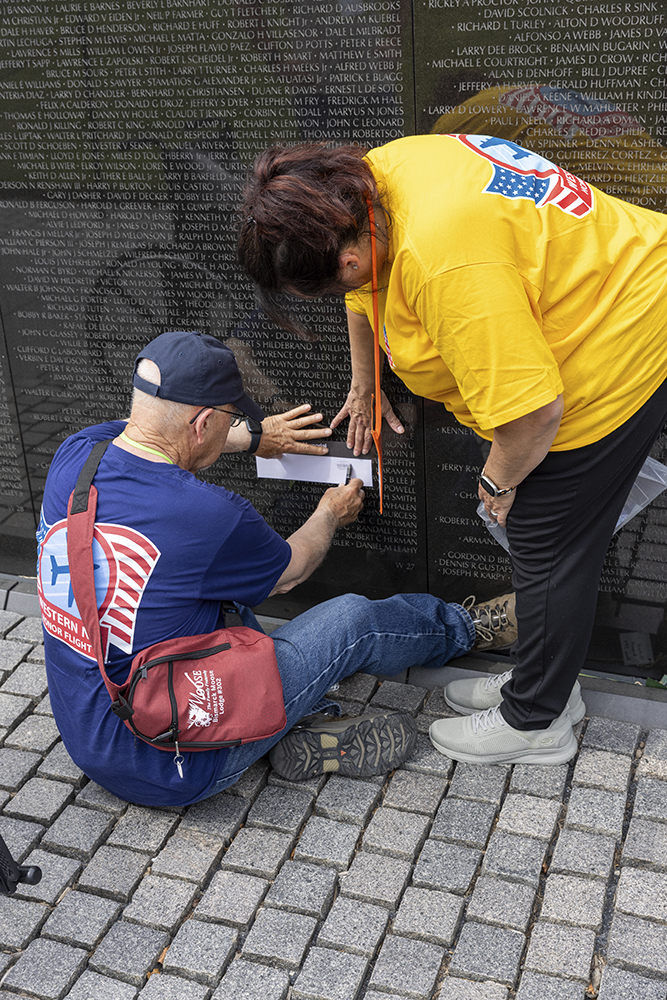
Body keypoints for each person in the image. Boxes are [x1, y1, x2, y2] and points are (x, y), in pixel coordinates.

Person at [237, 135, 667, 766]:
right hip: (605, 295)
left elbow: (532, 414)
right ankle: (545, 679)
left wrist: (497, 484)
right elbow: (362, 293)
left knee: (546, 544)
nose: (338, 295)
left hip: (616, 346)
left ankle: (535, 719)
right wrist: (364, 381)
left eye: (323, 289)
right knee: (544, 545)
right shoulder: (368, 185)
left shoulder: (446, 265)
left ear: (350, 258)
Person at [37, 330, 511, 806]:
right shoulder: (206, 514)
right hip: (181, 764)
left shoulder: (76, 455)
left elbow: (151, 426)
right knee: (353, 621)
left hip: (92, 739)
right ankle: (463, 628)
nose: (236, 426)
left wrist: (252, 438)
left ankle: (301, 721)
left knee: (222, 600)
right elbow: (291, 571)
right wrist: (331, 513)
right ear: (203, 423)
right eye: (232, 418)